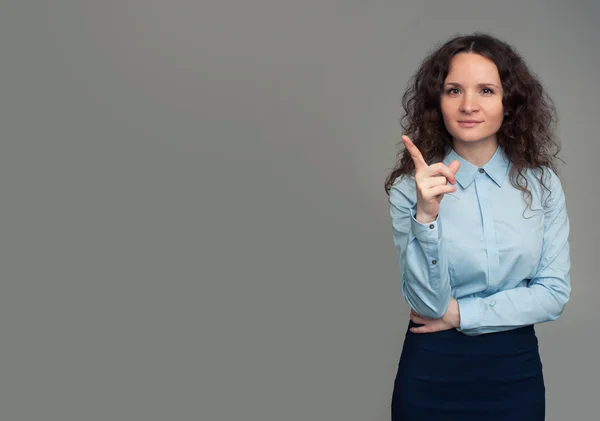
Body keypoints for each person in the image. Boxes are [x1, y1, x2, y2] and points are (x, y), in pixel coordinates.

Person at [384, 32, 570, 420]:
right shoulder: (410, 190)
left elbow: (553, 294)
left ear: (509, 103)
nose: (468, 105)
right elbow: (427, 305)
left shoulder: (542, 185)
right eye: (453, 90)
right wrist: (427, 216)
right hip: (432, 372)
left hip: (514, 372)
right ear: (438, 101)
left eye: (486, 90)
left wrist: (460, 316)